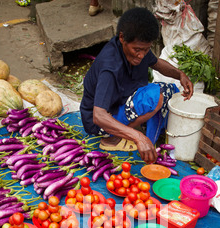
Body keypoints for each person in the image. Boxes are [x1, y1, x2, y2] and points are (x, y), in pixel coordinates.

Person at [80, 7, 193, 163]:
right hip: (100, 123)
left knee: (170, 91)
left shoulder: (140, 50)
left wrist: (180, 74)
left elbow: (156, 63)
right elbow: (99, 116)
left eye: (146, 50)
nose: (141, 55)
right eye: (137, 50)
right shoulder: (110, 67)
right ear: (122, 38)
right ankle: (112, 139)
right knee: (154, 98)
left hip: (121, 101)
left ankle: (139, 131)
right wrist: (137, 137)